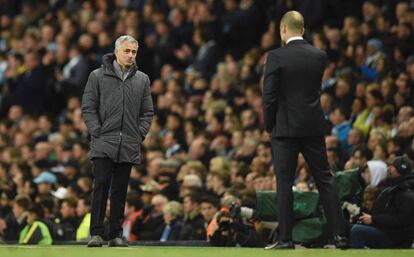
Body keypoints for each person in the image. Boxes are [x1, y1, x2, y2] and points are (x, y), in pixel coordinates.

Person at [262, 11, 348, 249]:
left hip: (284, 129)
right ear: (303, 30)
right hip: (312, 125)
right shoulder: (319, 56)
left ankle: (286, 239)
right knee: (325, 180)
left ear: (283, 29)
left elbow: (269, 95)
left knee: (284, 183)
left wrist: (269, 124)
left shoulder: (276, 56)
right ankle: (340, 236)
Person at [81, 35, 154, 247]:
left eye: (134, 52)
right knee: (101, 186)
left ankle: (115, 235)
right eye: (127, 51)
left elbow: (147, 112)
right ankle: (96, 233)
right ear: (116, 51)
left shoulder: (143, 79)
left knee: (120, 191)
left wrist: (138, 134)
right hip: (104, 141)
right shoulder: (97, 76)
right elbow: (88, 107)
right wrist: (97, 131)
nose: (131, 55)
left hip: (129, 143)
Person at [350, 156, 414, 248]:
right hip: (386, 231)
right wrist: (362, 217)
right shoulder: (393, 188)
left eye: (393, 166)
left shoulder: (407, 193)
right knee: (351, 227)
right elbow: (381, 212)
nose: (389, 168)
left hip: (396, 237)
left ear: (400, 169)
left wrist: (374, 219)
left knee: (357, 231)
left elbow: (400, 220)